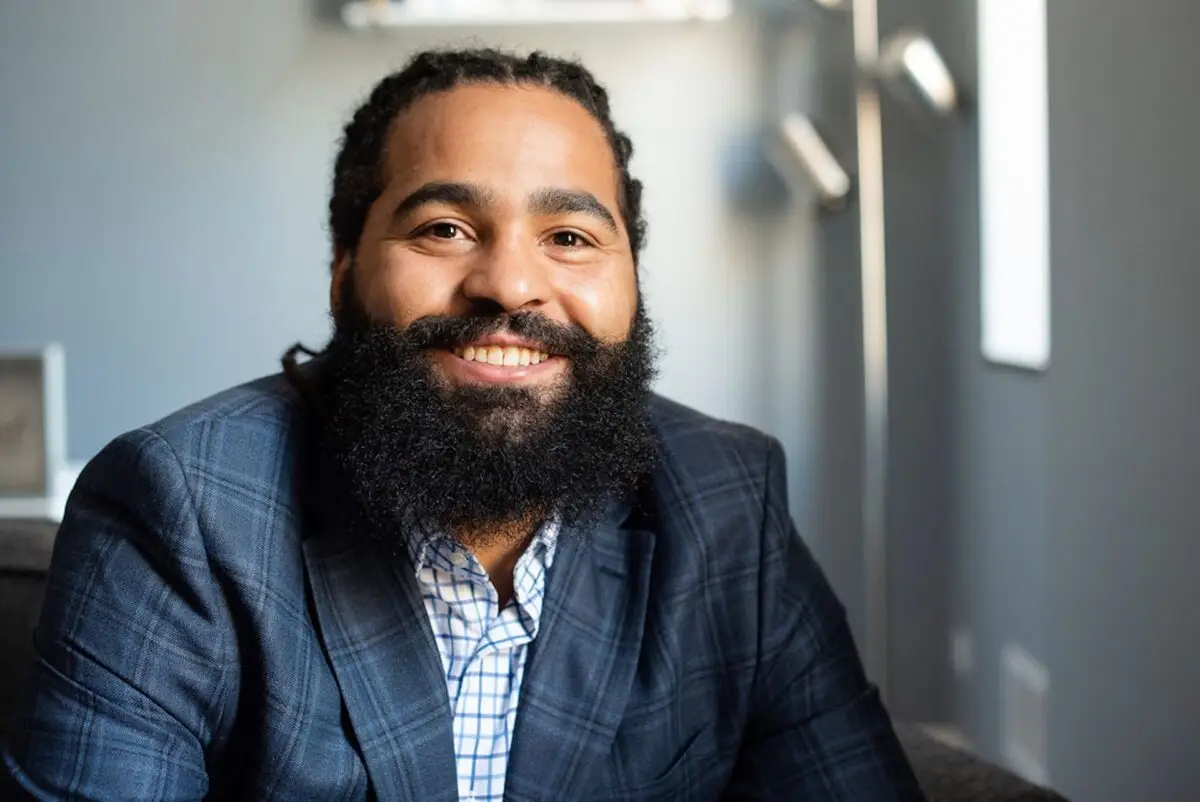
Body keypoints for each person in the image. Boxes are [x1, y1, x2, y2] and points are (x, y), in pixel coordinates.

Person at [2, 48, 924, 801]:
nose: (510, 285)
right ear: (344, 268)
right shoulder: (180, 508)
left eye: (570, 238)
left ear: (631, 281)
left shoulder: (728, 500)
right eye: (444, 228)